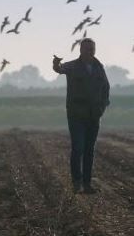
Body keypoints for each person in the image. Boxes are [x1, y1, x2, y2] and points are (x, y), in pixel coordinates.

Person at [53, 38, 110, 194]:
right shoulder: (72, 66)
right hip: (76, 115)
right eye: (87, 49)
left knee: (89, 151)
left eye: (92, 49)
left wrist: (102, 107)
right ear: (80, 50)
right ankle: (76, 183)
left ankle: (87, 184)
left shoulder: (99, 68)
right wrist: (55, 63)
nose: (90, 51)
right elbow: (59, 69)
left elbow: (106, 88)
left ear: (95, 50)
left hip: (94, 115)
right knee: (78, 148)